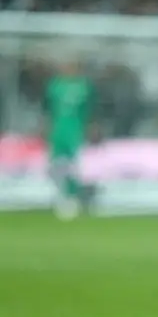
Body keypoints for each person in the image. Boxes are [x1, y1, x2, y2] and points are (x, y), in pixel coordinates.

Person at [42, 60, 96, 220]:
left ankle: (73, 196)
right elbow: (47, 108)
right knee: (56, 165)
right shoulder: (55, 85)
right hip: (58, 130)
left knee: (74, 166)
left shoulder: (84, 86)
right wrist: (46, 125)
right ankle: (60, 194)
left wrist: (90, 126)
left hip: (75, 130)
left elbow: (91, 109)